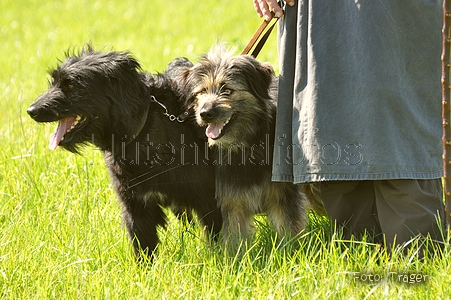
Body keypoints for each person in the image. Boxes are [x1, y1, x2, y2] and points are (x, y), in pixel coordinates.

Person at [252, 0, 446, 248]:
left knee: (399, 137)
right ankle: (363, 272)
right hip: (317, 14)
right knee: (329, 127)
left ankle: (416, 275)